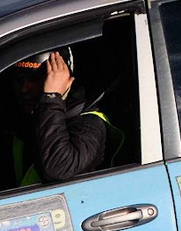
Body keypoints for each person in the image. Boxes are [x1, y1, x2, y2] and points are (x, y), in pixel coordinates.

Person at [11, 49, 115, 186]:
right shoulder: (21, 117)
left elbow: (58, 169)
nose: (24, 89)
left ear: (63, 80)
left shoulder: (88, 124)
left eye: (36, 79)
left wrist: (51, 97)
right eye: (19, 79)